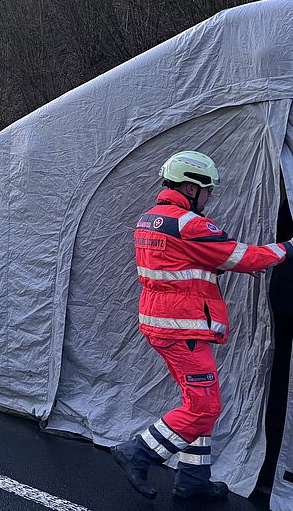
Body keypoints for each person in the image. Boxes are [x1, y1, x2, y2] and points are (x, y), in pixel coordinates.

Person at [112, 151, 292, 501]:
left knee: (195, 401)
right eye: (208, 190)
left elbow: (178, 261)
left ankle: (193, 479)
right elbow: (243, 256)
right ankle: (138, 452)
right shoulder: (190, 224)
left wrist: (219, 265)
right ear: (191, 188)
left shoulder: (150, 219)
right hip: (183, 329)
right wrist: (288, 248)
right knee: (204, 407)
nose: (210, 197)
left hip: (162, 323)